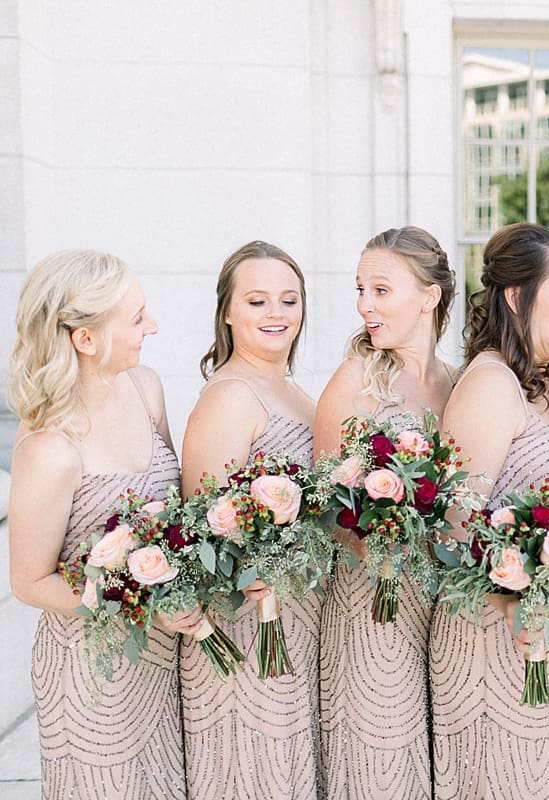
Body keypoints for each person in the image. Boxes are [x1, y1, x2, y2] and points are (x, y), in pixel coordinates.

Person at [8, 250, 188, 799]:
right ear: (85, 338)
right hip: (93, 671)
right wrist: (143, 599)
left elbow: (174, 512)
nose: (151, 327)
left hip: (164, 658)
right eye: (135, 318)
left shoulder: (146, 388)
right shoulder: (49, 448)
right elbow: (30, 581)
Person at [431, 222, 549, 800]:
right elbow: (455, 525)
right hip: (491, 634)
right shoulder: (491, 384)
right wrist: (512, 600)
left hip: (548, 631)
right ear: (517, 297)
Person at [316, 226, 456, 800]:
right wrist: (378, 549)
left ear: (429, 296)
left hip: (447, 605)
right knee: (380, 765)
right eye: (360, 290)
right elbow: (323, 503)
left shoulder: (458, 384)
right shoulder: (356, 380)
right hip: (373, 600)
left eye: (380, 290)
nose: (364, 306)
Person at [179, 241, 321, 799]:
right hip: (248, 627)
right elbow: (204, 524)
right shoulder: (231, 395)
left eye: (289, 299)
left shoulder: (293, 390)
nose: (277, 313)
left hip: (299, 619)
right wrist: (250, 571)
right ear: (228, 312)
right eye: (258, 301)